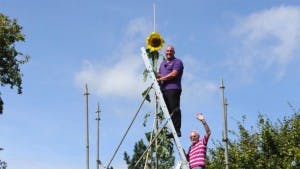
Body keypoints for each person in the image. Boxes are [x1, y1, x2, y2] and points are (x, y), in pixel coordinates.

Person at [156, 45, 184, 138]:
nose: (168, 52)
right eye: (167, 51)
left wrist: (162, 78)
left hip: (173, 88)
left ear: (174, 52)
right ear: (165, 52)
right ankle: (172, 130)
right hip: (164, 89)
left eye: (171, 51)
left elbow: (174, 74)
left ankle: (177, 130)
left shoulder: (177, 62)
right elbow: (160, 76)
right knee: (167, 111)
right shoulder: (162, 63)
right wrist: (153, 72)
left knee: (174, 109)